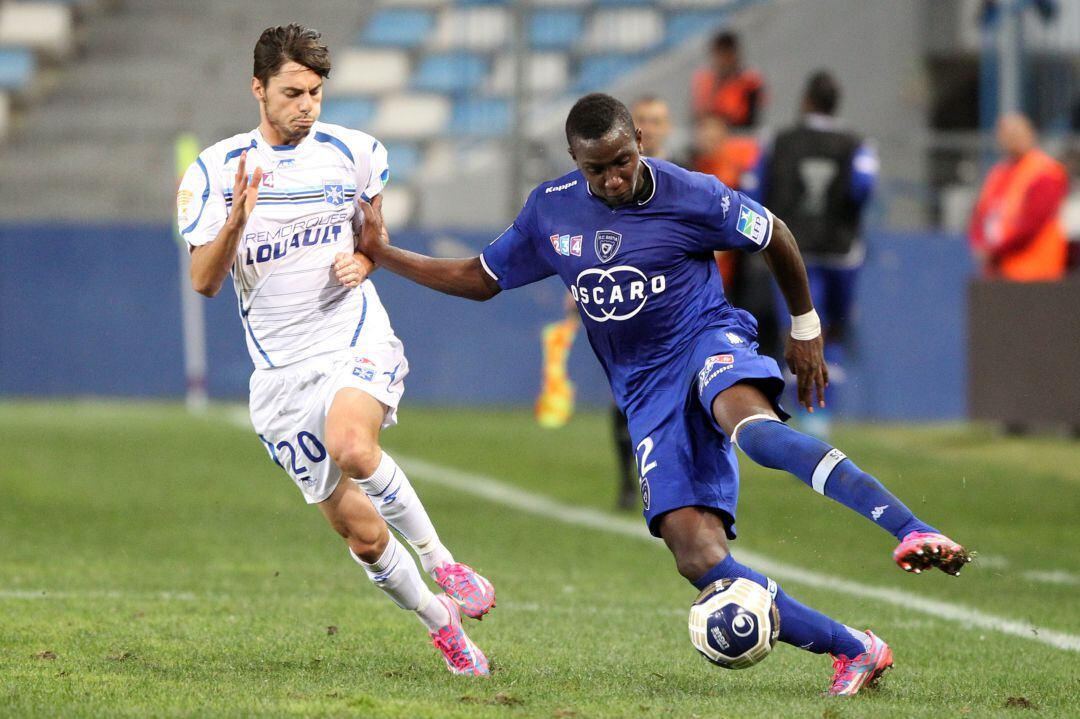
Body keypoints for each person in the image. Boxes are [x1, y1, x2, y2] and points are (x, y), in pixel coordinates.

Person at [356, 93, 973, 696]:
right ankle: (857, 649)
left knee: (751, 430)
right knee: (696, 556)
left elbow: (775, 234)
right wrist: (383, 254)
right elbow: (480, 279)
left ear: (640, 144)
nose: (614, 178)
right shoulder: (551, 211)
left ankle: (911, 529)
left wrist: (805, 326)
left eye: (622, 161)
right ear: (576, 161)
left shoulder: (693, 193)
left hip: (706, 339)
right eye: (596, 169)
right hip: (645, 388)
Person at [175, 24, 493, 676]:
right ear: (257, 88)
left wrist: (363, 262)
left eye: (316, 92)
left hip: (351, 337)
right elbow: (204, 282)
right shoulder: (213, 170)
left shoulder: (355, 152)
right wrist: (238, 215)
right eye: (293, 92)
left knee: (354, 444)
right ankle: (442, 624)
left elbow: (373, 238)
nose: (307, 106)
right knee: (363, 534)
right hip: (279, 378)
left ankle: (445, 562)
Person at [751, 70, 879, 436]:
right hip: (841, 251)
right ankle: (825, 412)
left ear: (806, 100)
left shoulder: (778, 141)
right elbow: (863, 187)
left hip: (792, 249)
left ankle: (800, 412)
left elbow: (755, 187)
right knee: (832, 332)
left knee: (798, 326)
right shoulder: (857, 144)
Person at [969, 113, 1069, 281]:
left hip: (1035, 271)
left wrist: (995, 250)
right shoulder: (999, 173)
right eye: (1007, 135)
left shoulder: (1045, 172)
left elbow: (1032, 224)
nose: (1012, 140)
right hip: (998, 271)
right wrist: (980, 244)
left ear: (1030, 134)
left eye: (1017, 134)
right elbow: (980, 214)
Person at [691, 30, 765, 128]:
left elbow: (750, 119)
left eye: (727, 54)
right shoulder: (704, 80)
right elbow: (696, 115)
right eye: (719, 54)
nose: (723, 60)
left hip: (739, 134)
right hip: (709, 136)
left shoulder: (750, 81)